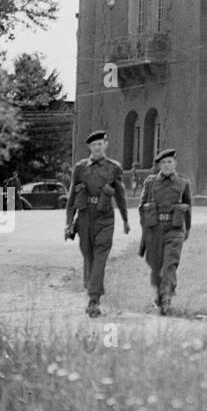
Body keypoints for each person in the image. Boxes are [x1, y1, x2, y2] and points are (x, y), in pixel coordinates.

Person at [64, 130, 130, 317]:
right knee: (88, 256)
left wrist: (125, 219)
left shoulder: (114, 168)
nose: (97, 148)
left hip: (105, 217)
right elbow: (72, 197)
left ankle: (94, 299)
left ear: (106, 145)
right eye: (94, 145)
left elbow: (120, 195)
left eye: (100, 144)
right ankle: (91, 287)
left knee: (100, 256)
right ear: (89, 148)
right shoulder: (80, 167)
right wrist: (69, 223)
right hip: (84, 217)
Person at [138, 148, 192, 315]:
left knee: (169, 264)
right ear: (159, 165)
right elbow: (142, 207)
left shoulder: (183, 183)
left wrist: (187, 229)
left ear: (175, 164)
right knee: (156, 267)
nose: (167, 165)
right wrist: (145, 228)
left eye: (169, 162)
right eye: (163, 162)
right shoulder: (150, 182)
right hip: (154, 230)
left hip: (174, 230)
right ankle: (159, 295)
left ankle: (167, 296)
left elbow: (188, 206)